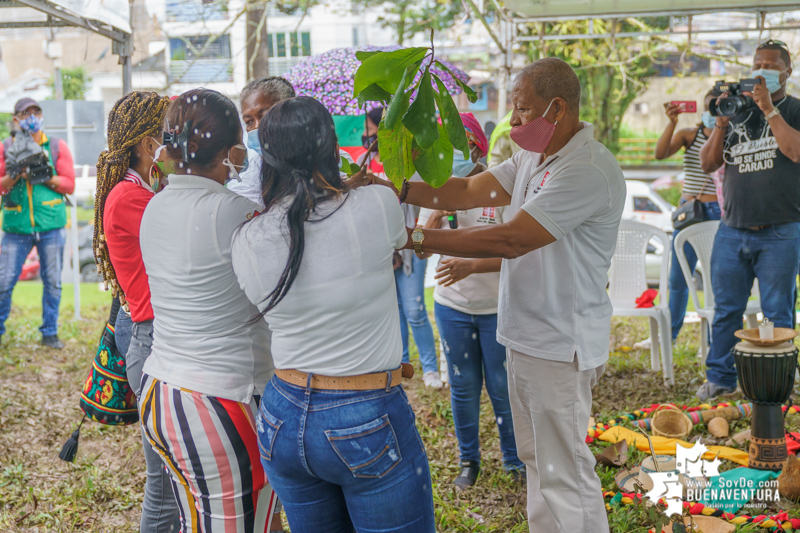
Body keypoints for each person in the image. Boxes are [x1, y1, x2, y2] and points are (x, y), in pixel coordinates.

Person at [356, 57, 625, 533]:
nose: (513, 119)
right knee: (537, 461)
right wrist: (391, 186)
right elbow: (463, 192)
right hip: (525, 334)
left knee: (563, 468)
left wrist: (413, 239)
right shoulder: (530, 158)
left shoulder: (587, 168)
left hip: (561, 343)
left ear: (557, 109)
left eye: (522, 109)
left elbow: (511, 238)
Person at [231, 96, 436, 533]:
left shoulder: (248, 237)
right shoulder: (376, 205)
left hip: (281, 412)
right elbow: (396, 234)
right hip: (365, 413)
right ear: (331, 149)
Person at [138, 89, 277, 532]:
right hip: (218, 402)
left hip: (161, 392)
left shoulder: (155, 205)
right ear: (234, 148)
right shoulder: (235, 212)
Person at [417, 112, 524, 489]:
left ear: (477, 148)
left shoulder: (501, 189)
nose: (448, 155)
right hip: (452, 308)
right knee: (462, 386)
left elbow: (517, 250)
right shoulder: (438, 190)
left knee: (500, 384)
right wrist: (432, 220)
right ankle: (469, 461)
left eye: (455, 146)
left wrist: (472, 266)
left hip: (496, 309)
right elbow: (419, 251)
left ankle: (513, 459)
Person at [93, 91, 180, 532]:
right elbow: (190, 228)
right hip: (149, 340)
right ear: (150, 144)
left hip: (154, 336)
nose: (179, 140)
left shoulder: (146, 190)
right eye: (171, 131)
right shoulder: (131, 199)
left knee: (177, 481)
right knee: (164, 487)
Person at [697, 40, 800, 400]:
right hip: (732, 230)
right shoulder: (738, 111)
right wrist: (721, 124)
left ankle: (777, 383)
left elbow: (795, 151)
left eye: (770, 65)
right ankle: (720, 379)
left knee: (776, 313)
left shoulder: (795, 109)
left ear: (787, 71)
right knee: (726, 311)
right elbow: (708, 164)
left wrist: (770, 110)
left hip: (780, 232)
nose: (762, 71)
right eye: (757, 64)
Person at [635, 88, 723, 350]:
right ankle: (667, 337)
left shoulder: (730, 135)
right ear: (703, 109)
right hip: (688, 211)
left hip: (718, 212)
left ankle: (712, 342)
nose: (713, 113)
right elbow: (660, 153)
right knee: (678, 277)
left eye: (719, 107)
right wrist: (671, 122)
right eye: (709, 107)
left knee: (716, 278)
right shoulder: (689, 134)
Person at [360, 106, 442, 388]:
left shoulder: (408, 165)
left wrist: (404, 246)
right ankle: (401, 365)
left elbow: (422, 211)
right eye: (367, 133)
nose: (367, 137)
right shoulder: (363, 164)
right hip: (381, 254)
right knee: (394, 311)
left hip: (411, 248)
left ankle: (430, 369)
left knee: (415, 310)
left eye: (372, 132)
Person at [0, 98, 75, 348]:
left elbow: (69, 184)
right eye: (25, 113)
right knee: (4, 281)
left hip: (51, 226)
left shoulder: (55, 146)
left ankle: (50, 333)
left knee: (52, 281)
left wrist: (42, 175)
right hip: (16, 228)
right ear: (16, 119)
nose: (32, 117)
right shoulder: (5, 147)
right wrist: (18, 174)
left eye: (36, 112)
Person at [229, 76, 296, 209]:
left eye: (266, 116)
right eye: (249, 122)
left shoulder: (335, 163)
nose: (257, 127)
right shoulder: (245, 182)